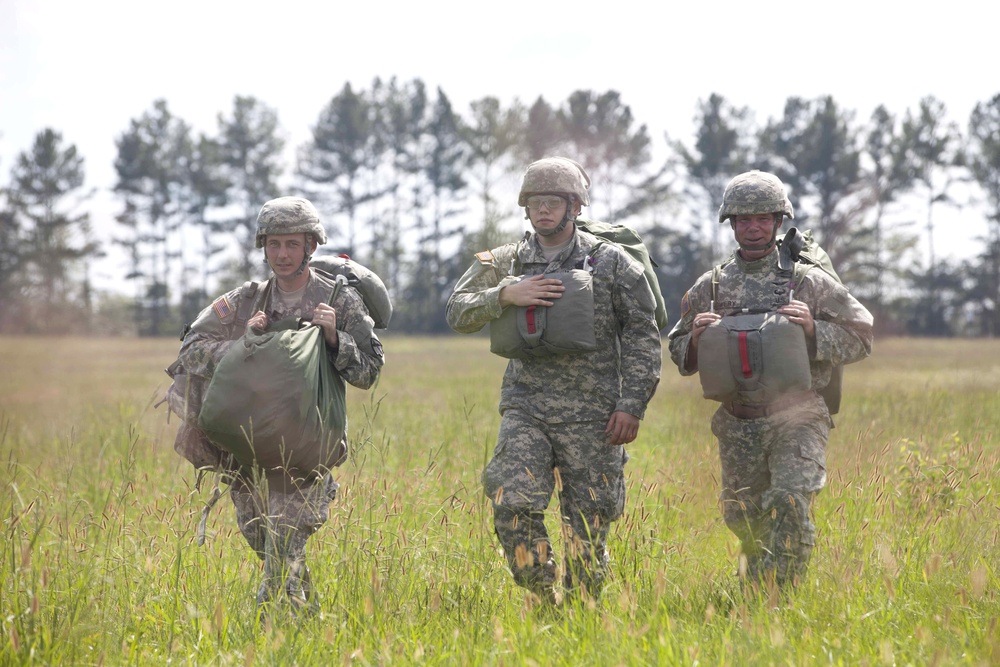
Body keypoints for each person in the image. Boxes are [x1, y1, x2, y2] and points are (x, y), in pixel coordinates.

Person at [446, 157, 661, 604]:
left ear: (576, 207)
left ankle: (582, 611)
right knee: (511, 503)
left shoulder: (611, 262)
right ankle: (543, 599)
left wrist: (631, 404)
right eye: (535, 202)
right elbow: (457, 310)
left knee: (587, 527)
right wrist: (504, 293)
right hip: (527, 408)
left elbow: (643, 334)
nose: (543, 210)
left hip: (596, 415)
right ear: (525, 208)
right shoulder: (505, 261)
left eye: (554, 202)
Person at [166, 196, 385, 618]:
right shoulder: (247, 300)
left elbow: (369, 371)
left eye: (291, 244)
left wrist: (336, 338)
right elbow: (190, 350)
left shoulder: (338, 300)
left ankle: (268, 626)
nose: (282, 254)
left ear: (310, 247)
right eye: (274, 245)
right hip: (246, 448)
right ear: (263, 247)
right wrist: (240, 342)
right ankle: (310, 617)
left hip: (307, 448)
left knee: (284, 537)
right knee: (262, 539)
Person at [666, 170, 873, 588]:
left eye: (762, 218)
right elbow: (677, 351)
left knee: (790, 502)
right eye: (743, 219)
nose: (753, 227)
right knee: (743, 516)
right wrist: (698, 339)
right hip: (738, 420)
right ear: (731, 224)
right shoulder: (712, 285)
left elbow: (862, 335)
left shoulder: (806, 281)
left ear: (779, 221)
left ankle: (777, 600)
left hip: (798, 416)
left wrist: (814, 329)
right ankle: (754, 589)